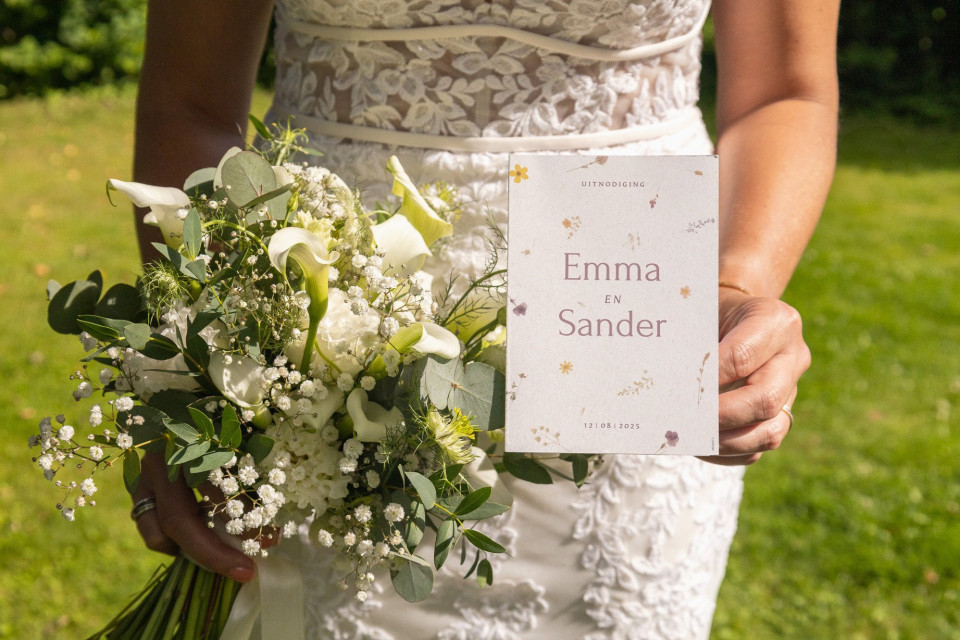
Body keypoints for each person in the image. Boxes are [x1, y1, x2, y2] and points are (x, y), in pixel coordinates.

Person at [129, 0, 837, 637]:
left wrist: (733, 283)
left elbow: (785, 88)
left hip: (628, 315)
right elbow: (188, 104)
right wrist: (199, 354)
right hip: (312, 351)